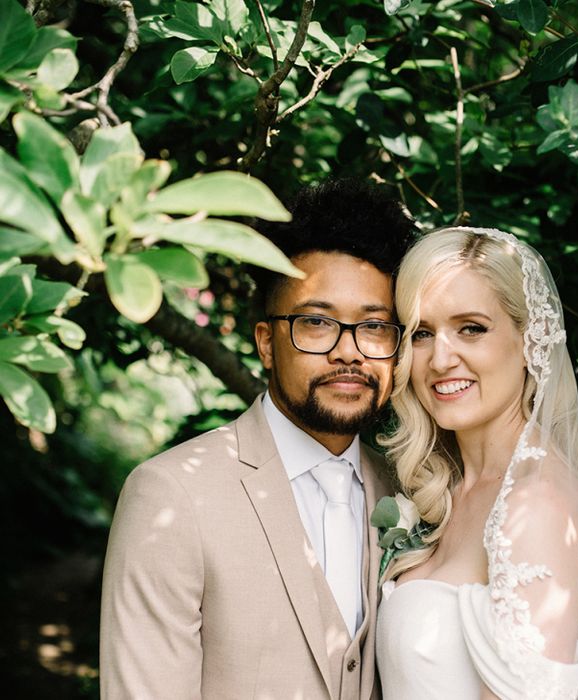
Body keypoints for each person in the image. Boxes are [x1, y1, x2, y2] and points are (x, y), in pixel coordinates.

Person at [100, 179, 415, 699]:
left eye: (375, 326)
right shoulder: (171, 495)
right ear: (267, 343)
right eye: (316, 322)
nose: (349, 352)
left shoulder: (410, 491)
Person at [375, 227, 578, 700]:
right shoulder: (448, 490)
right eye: (421, 333)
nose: (440, 358)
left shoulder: (537, 504)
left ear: (528, 341)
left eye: (471, 328)